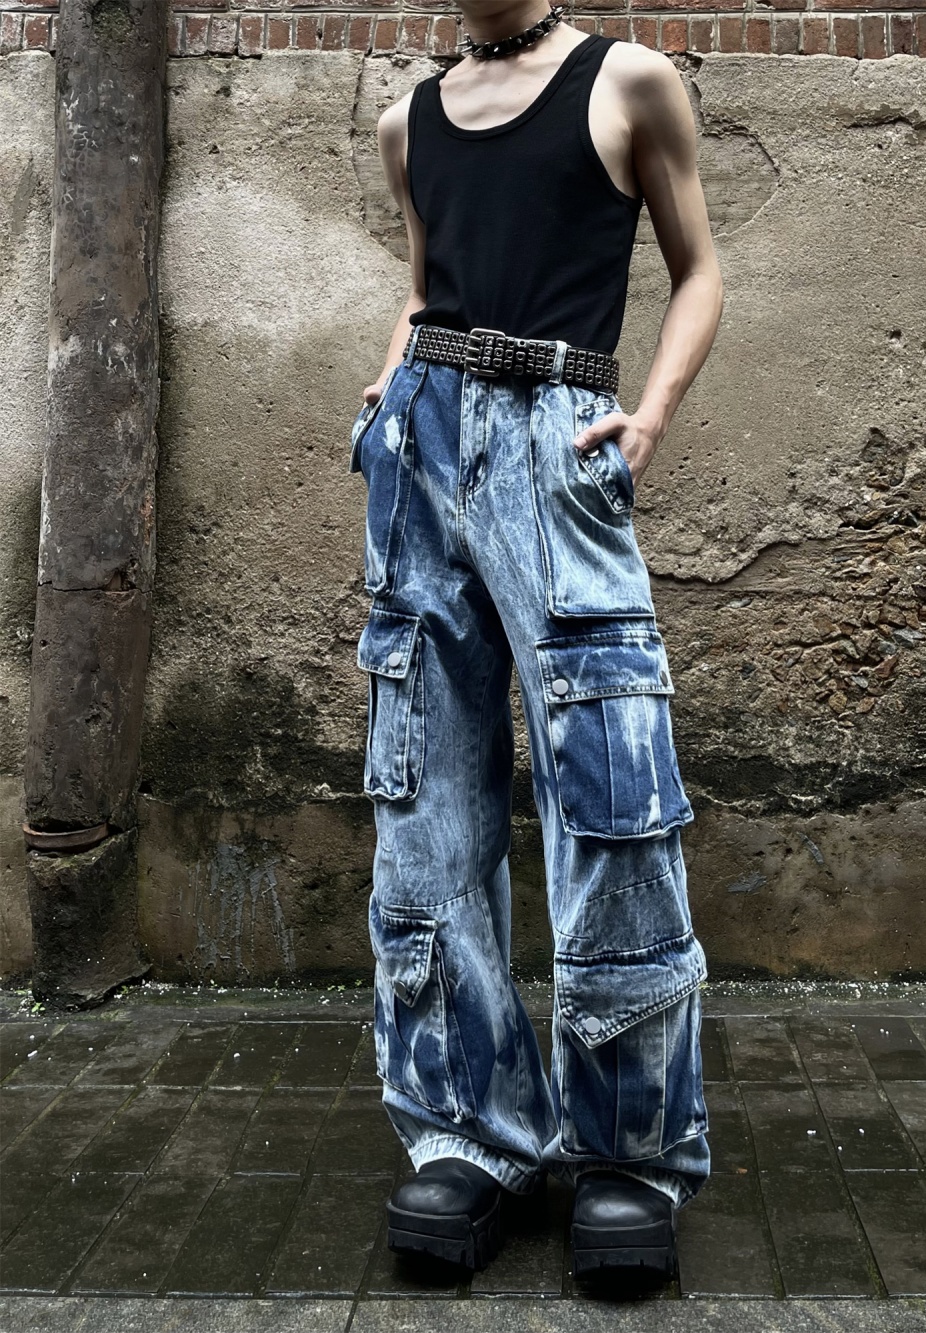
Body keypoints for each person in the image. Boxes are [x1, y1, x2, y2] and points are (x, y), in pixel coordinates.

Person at [349, 0, 724, 1281]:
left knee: (610, 795)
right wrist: (389, 382)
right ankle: (468, 1131)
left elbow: (699, 269)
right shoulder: (408, 123)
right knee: (426, 800)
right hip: (420, 454)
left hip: (558, 449)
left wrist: (650, 417)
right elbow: (421, 295)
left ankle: (626, 1151)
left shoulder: (628, 84)